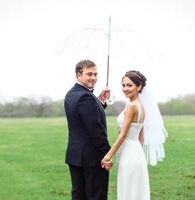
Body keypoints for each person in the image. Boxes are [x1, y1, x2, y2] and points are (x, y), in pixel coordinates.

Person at [64, 59, 113, 200]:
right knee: (96, 196)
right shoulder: (86, 97)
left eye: (96, 74)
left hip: (75, 156)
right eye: (89, 74)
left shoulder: (71, 94)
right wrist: (107, 154)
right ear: (78, 75)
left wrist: (100, 101)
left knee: (79, 195)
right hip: (91, 158)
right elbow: (95, 130)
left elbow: (83, 116)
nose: (94, 78)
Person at [102, 70, 150, 200]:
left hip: (128, 152)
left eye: (129, 85)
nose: (125, 88)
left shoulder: (131, 106)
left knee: (128, 191)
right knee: (136, 191)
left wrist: (107, 156)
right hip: (137, 153)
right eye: (123, 85)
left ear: (139, 87)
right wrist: (139, 153)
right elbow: (141, 135)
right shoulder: (141, 106)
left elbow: (122, 136)